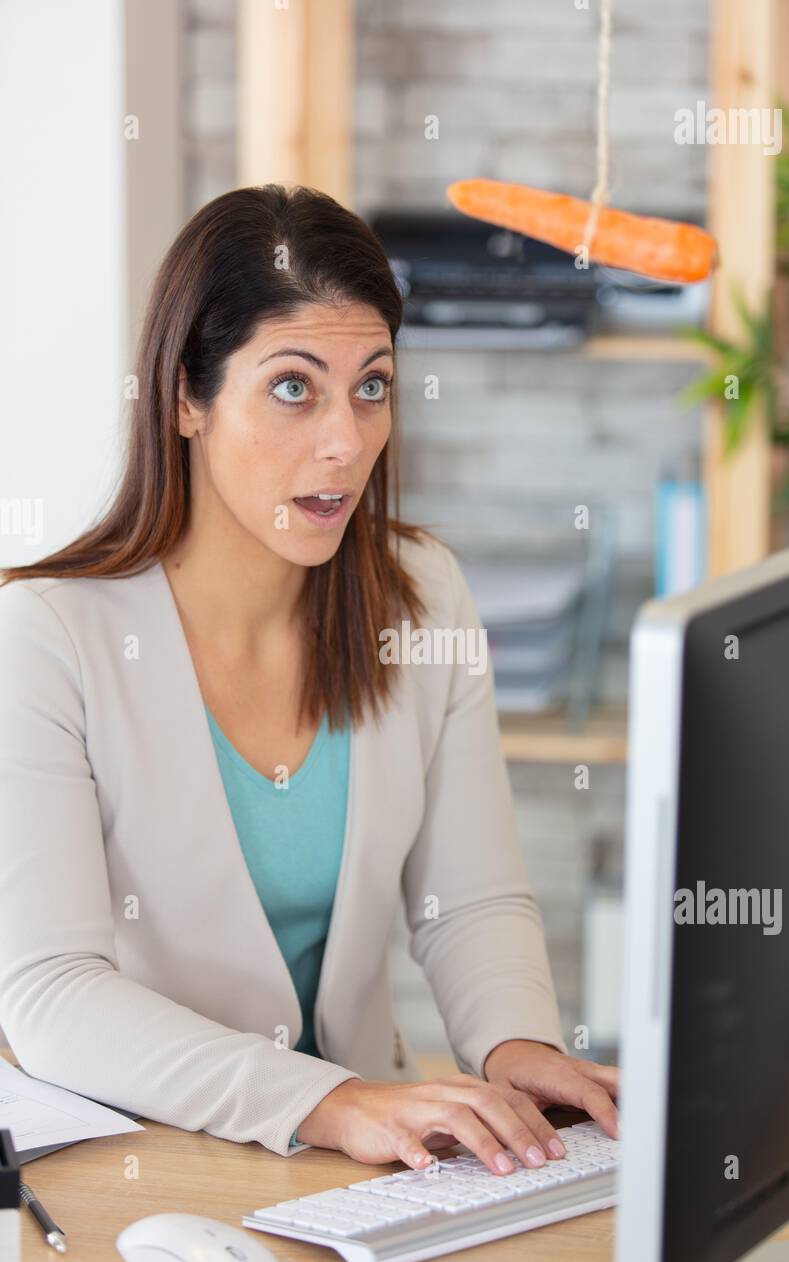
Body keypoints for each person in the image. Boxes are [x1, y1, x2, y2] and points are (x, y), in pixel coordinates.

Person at [0, 184, 618, 1176]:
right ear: (185, 398)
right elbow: (53, 994)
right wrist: (326, 1098)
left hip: (368, 1167)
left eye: (370, 385)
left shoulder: (421, 596)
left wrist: (518, 1048)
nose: (345, 438)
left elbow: (467, 900)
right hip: (146, 1170)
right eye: (294, 387)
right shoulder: (49, 636)